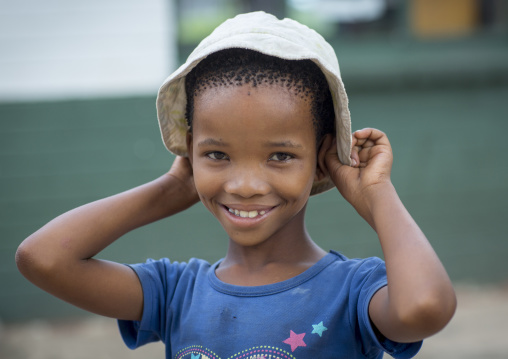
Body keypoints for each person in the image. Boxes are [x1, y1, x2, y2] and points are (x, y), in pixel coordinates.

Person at [16, 11, 456, 359]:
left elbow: (424, 308)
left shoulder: (351, 291)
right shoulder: (176, 293)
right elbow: (42, 258)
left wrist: (376, 193)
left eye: (280, 156)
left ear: (322, 162)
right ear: (189, 153)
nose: (245, 185)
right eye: (217, 155)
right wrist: (170, 191)